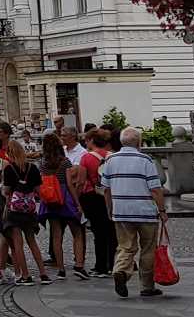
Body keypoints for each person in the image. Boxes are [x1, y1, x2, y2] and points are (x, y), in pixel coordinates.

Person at [100, 126, 168, 298]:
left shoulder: (110, 160)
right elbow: (155, 189)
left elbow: (106, 189)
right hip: (145, 212)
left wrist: (110, 207)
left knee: (125, 246)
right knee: (148, 249)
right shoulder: (145, 160)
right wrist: (162, 210)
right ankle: (147, 286)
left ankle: (121, 270)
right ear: (138, 142)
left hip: (122, 211)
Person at [39, 132, 88, 280]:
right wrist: (77, 203)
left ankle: (61, 269)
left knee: (56, 236)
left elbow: (42, 181)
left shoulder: (42, 162)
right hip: (65, 197)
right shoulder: (65, 162)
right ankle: (79, 265)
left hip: (50, 199)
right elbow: (69, 184)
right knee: (77, 233)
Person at [1, 138, 48, 285]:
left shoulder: (9, 169)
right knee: (32, 241)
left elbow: (7, 191)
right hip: (30, 209)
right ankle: (43, 273)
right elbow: (37, 190)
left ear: (9, 153)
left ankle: (26, 275)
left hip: (15, 210)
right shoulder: (32, 168)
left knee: (18, 243)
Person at [78, 127, 115, 279]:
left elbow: (80, 181)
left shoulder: (86, 158)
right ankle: (115, 263)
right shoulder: (112, 156)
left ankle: (101, 266)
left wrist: (75, 198)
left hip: (92, 195)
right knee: (112, 231)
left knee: (98, 232)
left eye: (86, 140)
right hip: (111, 195)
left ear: (91, 140)